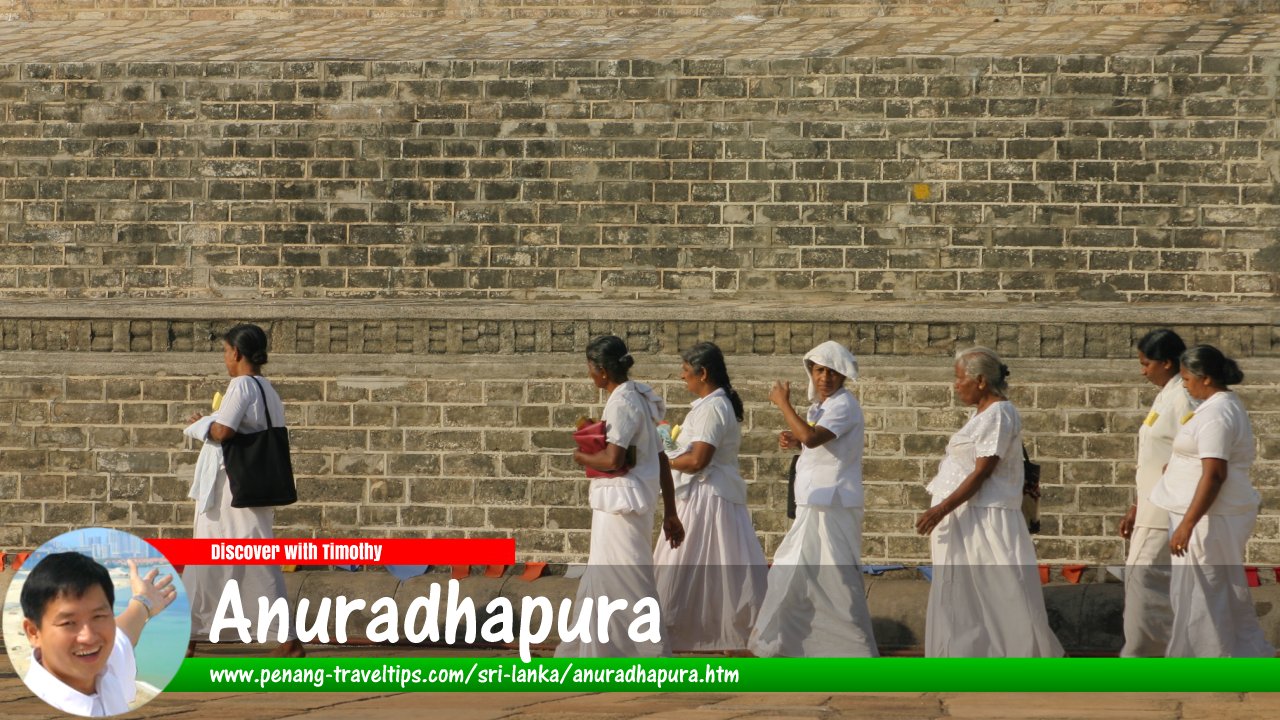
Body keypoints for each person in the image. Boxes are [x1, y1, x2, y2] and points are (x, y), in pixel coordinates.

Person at [916, 347, 1063, 657]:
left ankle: (1018, 656)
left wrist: (941, 509)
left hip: (985, 516)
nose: (956, 385)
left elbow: (983, 472)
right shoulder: (982, 414)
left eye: (960, 379)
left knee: (1000, 590)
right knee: (963, 591)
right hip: (967, 515)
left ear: (980, 380)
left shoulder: (999, 414)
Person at [748, 340, 878, 657]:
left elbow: (813, 437)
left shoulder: (844, 404)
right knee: (791, 570)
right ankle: (786, 644)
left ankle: (854, 649)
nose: (825, 378)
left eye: (832, 372)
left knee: (835, 576)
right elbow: (812, 439)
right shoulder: (821, 408)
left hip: (833, 503)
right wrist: (796, 439)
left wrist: (783, 405)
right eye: (820, 370)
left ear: (842, 376)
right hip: (814, 501)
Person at [558, 335, 685, 657]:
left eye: (590, 368)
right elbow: (660, 459)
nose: (589, 375)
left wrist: (581, 457)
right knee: (602, 578)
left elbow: (614, 459)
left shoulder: (623, 401)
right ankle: (594, 651)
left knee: (629, 581)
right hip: (626, 502)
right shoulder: (641, 398)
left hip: (621, 506)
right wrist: (671, 513)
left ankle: (651, 655)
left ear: (601, 370)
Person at [182, 324, 304, 658]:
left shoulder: (241, 386)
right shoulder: (267, 389)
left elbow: (223, 431)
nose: (225, 358)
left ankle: (286, 637)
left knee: (226, 558)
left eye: (225, 351)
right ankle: (190, 635)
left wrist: (200, 424)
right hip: (249, 489)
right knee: (234, 559)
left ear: (236, 352)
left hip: (232, 492)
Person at [1150, 345, 1274, 657]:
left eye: (1187, 378)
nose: (1184, 385)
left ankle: (1212, 658)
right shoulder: (1213, 407)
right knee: (1209, 590)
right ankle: (1237, 653)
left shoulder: (1219, 413)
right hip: (1201, 512)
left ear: (1205, 379)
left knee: (1207, 591)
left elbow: (1214, 474)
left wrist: (1187, 525)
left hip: (1210, 516)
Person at [653, 341, 767, 652]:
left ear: (703, 374)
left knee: (685, 571)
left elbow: (698, 460)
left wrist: (662, 461)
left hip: (706, 498)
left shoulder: (714, 409)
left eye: (686, 371)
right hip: (703, 494)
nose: (682, 377)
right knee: (713, 573)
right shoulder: (709, 407)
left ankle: (707, 637)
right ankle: (708, 637)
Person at [20, 552, 177, 717]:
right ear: (33, 632)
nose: (88, 637)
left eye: (98, 616)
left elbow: (123, 634)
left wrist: (144, 601)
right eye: (68, 623)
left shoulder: (104, 667)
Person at [1119, 329, 1190, 657]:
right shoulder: (1165, 395)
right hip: (1150, 505)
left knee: (1145, 578)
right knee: (1146, 579)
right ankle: (1157, 652)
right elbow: (1152, 457)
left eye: (1147, 364)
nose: (1142, 370)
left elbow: (1192, 451)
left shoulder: (1184, 397)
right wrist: (1136, 504)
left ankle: (1143, 653)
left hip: (1167, 508)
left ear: (1167, 363)